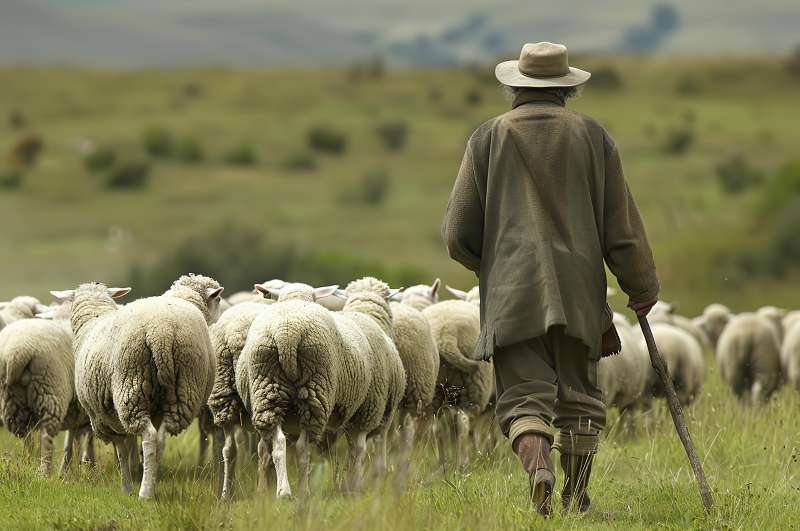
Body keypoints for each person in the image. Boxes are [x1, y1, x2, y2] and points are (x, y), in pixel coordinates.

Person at [441, 42, 659, 516]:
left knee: (523, 398)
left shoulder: (487, 138)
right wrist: (641, 287)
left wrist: (493, 265)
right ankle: (576, 496)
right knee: (580, 397)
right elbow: (620, 228)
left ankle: (538, 466)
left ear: (515, 86)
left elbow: (457, 232)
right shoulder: (594, 138)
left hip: (512, 293)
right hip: (580, 292)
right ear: (566, 89)